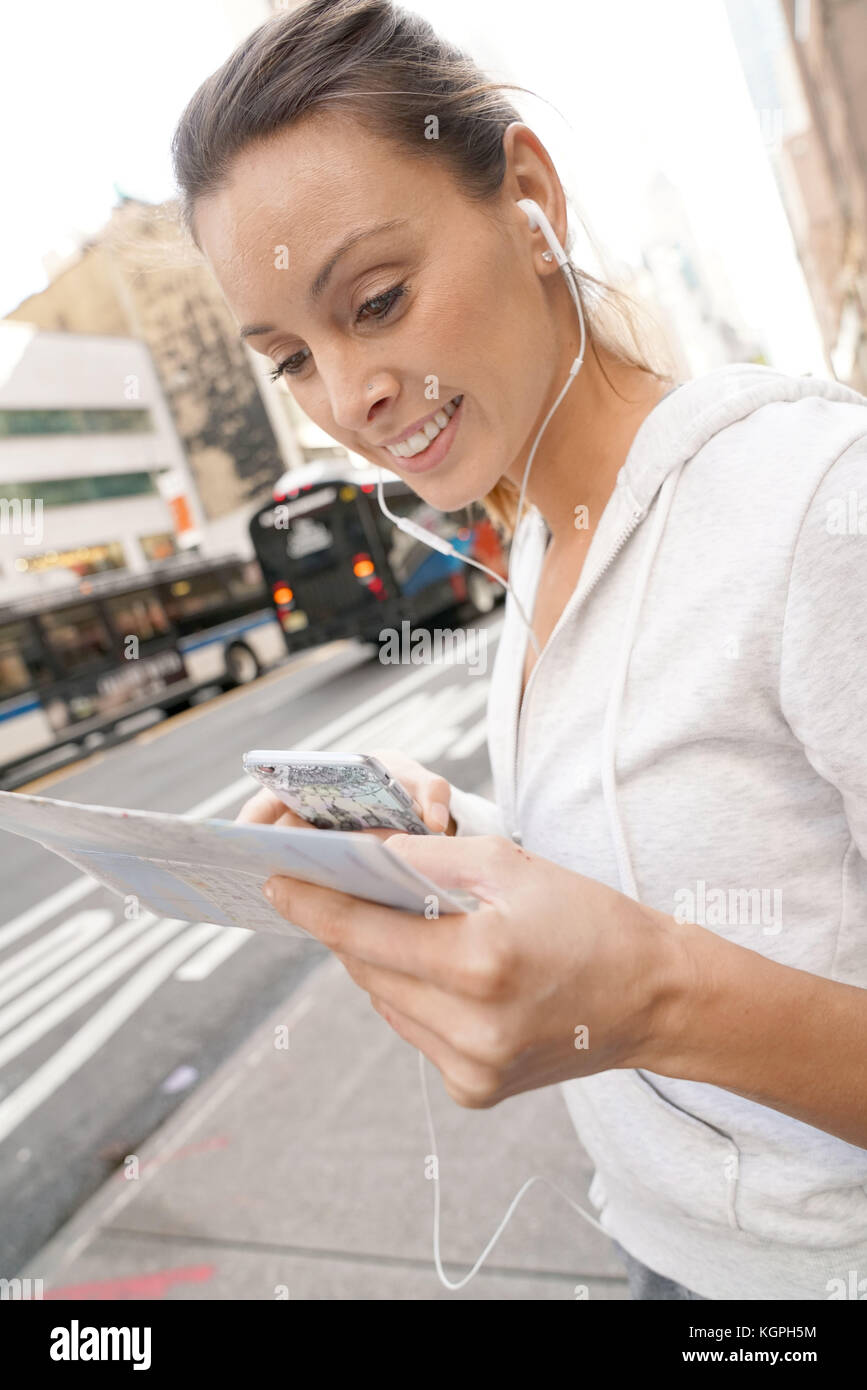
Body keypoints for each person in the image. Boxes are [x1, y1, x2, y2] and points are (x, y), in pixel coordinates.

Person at [170, 0, 867, 1301]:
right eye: (290, 360)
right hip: (654, 1252)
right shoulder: (540, 549)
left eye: (376, 299)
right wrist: (460, 838)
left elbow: (657, 965)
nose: (347, 397)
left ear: (529, 199)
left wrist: (656, 997)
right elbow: (690, 841)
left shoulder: (818, 504)